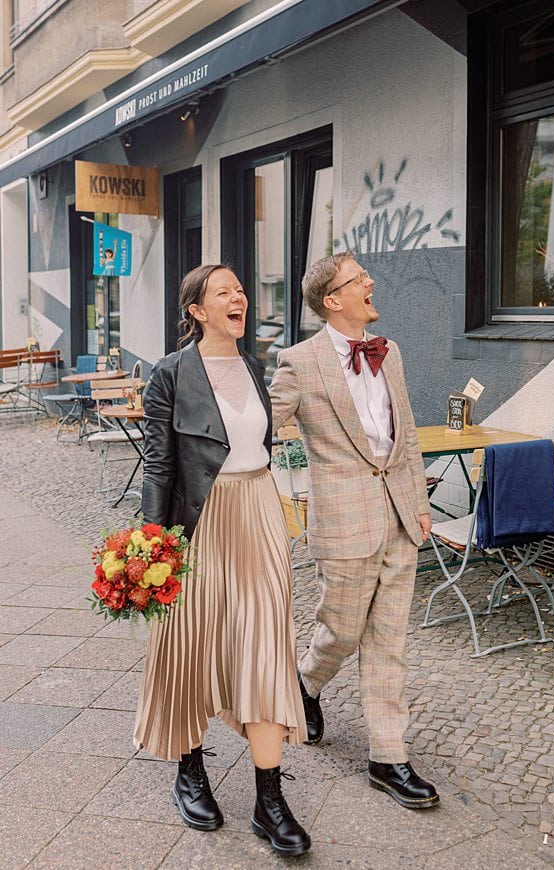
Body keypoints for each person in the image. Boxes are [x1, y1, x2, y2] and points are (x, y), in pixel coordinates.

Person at [134, 264, 311, 858]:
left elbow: (257, 447)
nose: (239, 297)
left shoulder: (254, 367)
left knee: (265, 641)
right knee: (192, 642)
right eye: (224, 292)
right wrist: (152, 546)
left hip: (257, 510)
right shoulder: (169, 374)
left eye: (240, 290)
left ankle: (269, 796)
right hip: (201, 522)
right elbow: (159, 465)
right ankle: (190, 768)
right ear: (197, 311)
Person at [268, 252, 439, 809]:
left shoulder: (391, 354)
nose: (371, 282)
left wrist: (417, 504)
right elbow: (261, 424)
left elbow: (405, 435)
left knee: (389, 641)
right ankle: (306, 683)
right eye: (359, 277)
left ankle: (388, 757)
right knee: (340, 630)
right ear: (331, 300)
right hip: (343, 521)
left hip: (397, 517)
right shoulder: (298, 361)